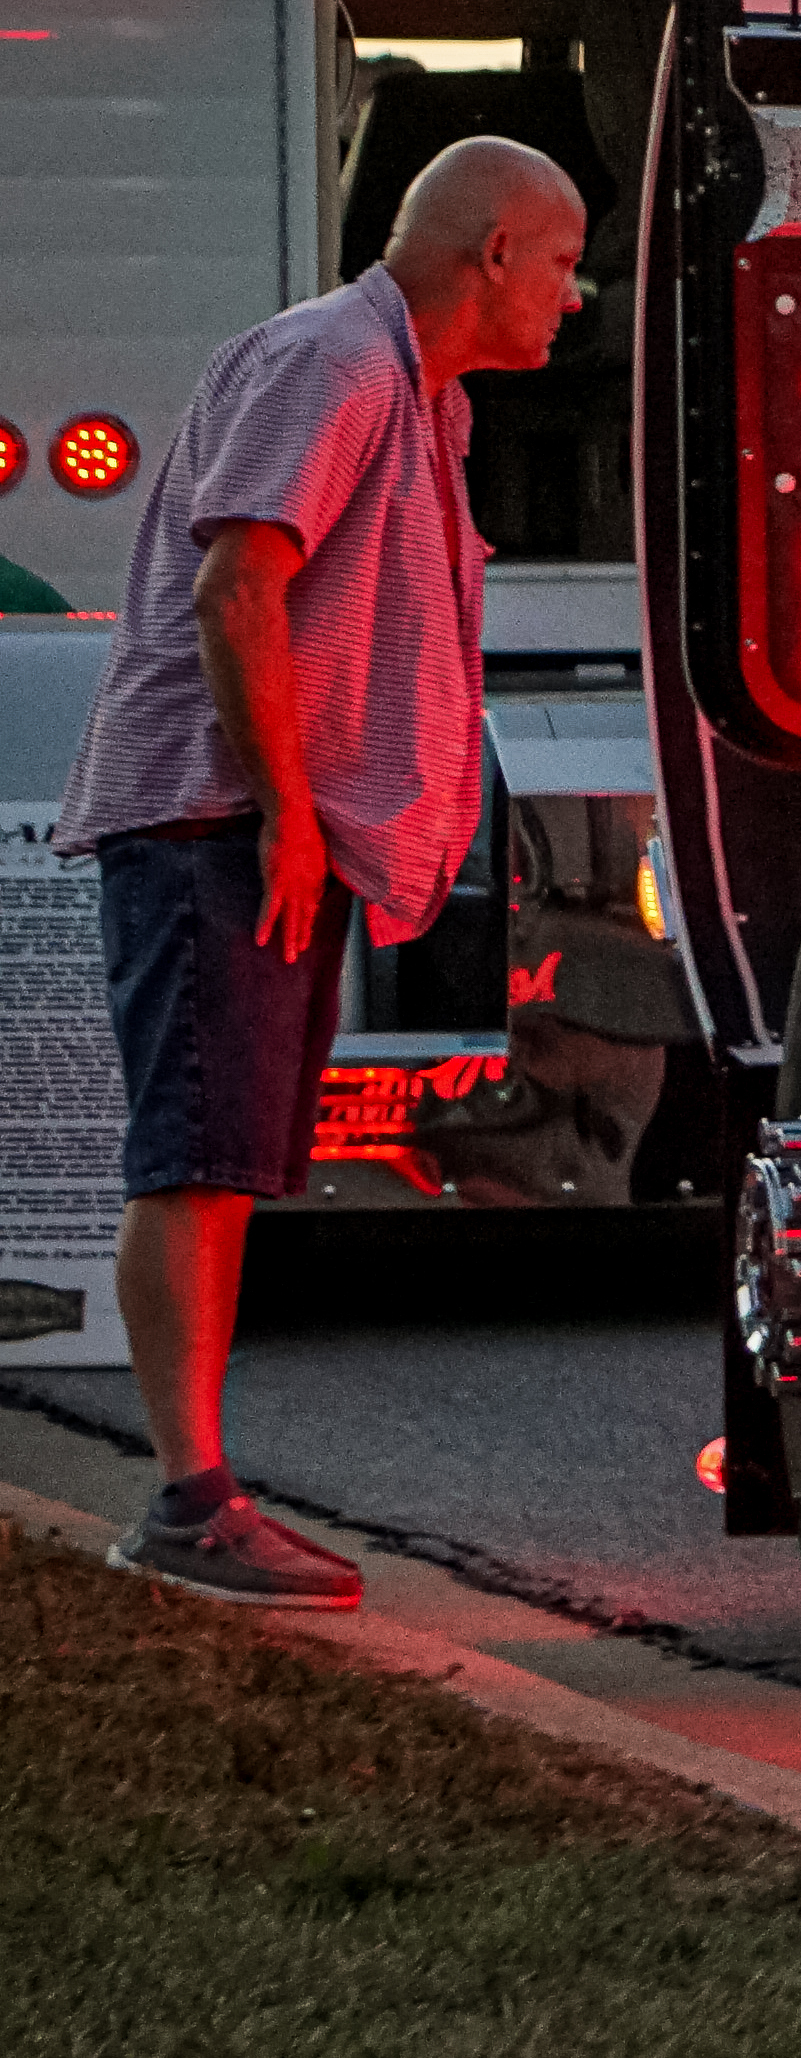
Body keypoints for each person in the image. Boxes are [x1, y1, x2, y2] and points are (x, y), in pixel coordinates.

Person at [53, 137, 593, 1606]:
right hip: (211, 822)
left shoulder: (436, 406)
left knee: (228, 1161)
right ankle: (187, 1500)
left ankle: (201, 1491)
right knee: (198, 1159)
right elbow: (241, 582)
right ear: (489, 252)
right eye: (561, 258)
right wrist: (284, 812)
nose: (577, 291)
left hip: (262, 825)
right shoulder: (331, 368)